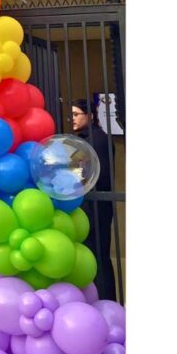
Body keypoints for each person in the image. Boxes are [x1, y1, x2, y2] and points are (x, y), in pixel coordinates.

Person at [71, 97, 117, 302]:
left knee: (98, 256)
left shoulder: (96, 139)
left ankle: (105, 300)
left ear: (89, 115)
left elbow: (97, 175)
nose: (72, 119)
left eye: (76, 114)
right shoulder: (87, 139)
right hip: (90, 205)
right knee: (94, 256)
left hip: (96, 207)